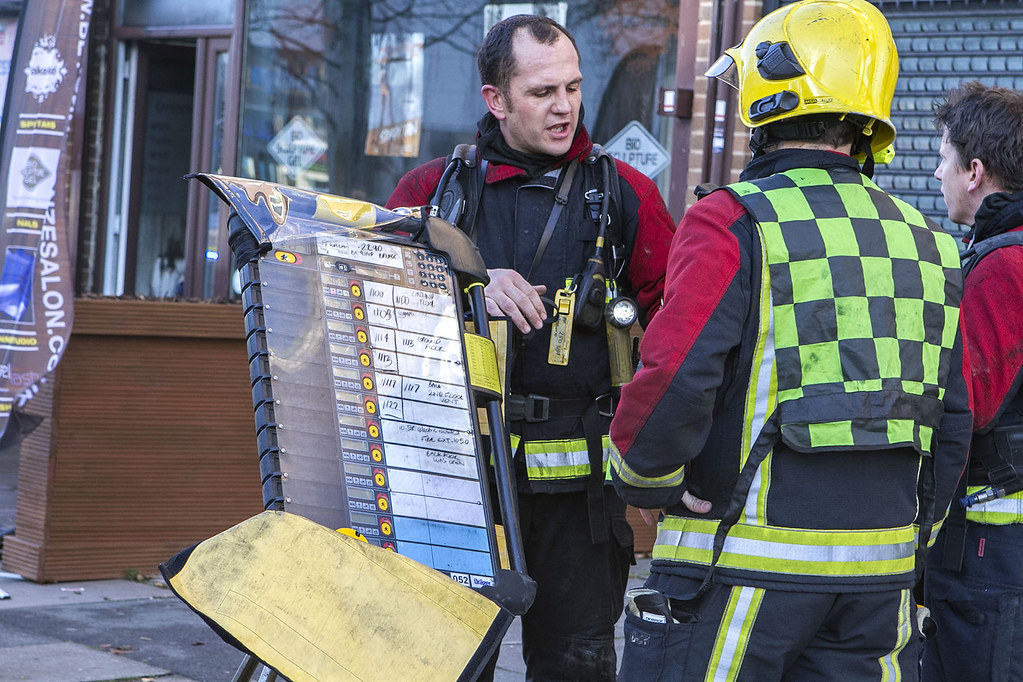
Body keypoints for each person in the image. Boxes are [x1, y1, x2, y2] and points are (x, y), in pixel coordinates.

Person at [607, 0, 972, 679]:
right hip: (879, 588)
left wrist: (645, 478)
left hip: (737, 574)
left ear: (762, 97)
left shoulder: (731, 221)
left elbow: (676, 371)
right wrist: (914, 536)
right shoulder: (931, 245)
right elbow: (953, 421)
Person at [386, 14, 675, 681]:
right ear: (495, 99)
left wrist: (660, 458)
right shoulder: (428, 197)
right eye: (543, 92)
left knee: (576, 668)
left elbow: (677, 331)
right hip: (452, 489)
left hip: (578, 507)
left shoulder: (624, 195)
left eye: (573, 87)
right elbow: (366, 311)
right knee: (441, 667)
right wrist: (463, 286)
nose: (565, 106)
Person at [922, 82, 1023, 681]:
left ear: (974, 172)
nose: (935, 171)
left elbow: (963, 407)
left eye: (943, 157)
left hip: (991, 563)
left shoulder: (1002, 268)